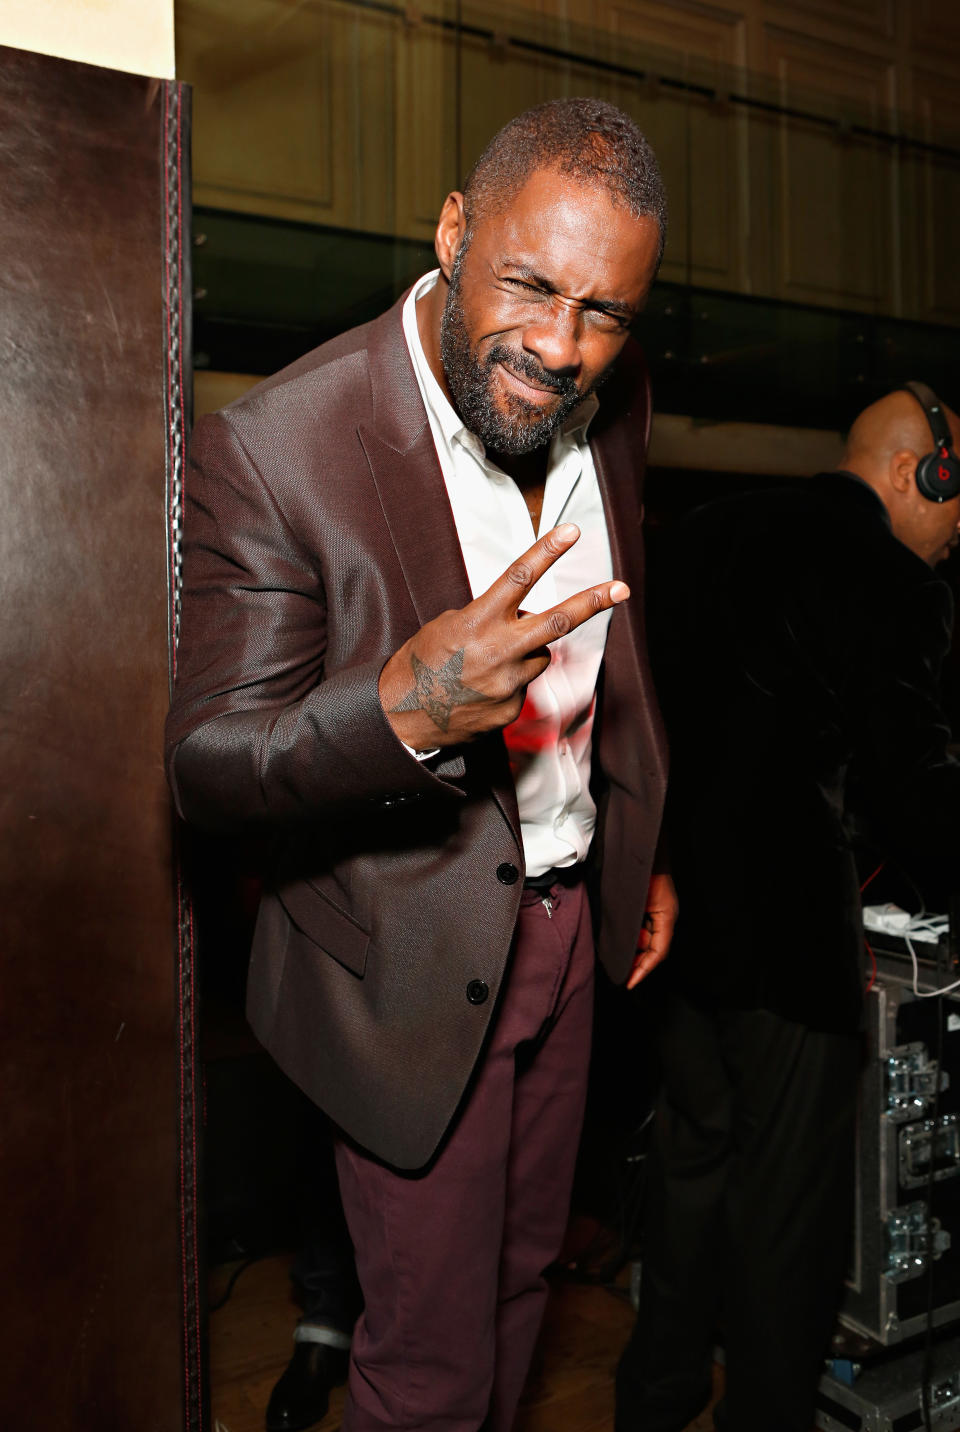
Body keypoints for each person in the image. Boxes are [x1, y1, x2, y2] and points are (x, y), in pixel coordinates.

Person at [166, 98, 676, 1432]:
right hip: (400, 953)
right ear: (454, 231)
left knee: (519, 1284)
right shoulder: (278, 448)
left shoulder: (608, 410)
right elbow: (209, 765)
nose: (564, 347)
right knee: (430, 1358)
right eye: (531, 285)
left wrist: (630, 831)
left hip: (572, 932)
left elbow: (614, 642)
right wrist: (402, 705)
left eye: (607, 312)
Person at [615, 383, 960, 1432]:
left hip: (675, 923)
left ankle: (655, 1396)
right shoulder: (891, 580)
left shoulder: (708, 531)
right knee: (787, 1222)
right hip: (794, 945)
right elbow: (914, 790)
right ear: (918, 471)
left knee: (688, 1176)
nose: (959, 526)